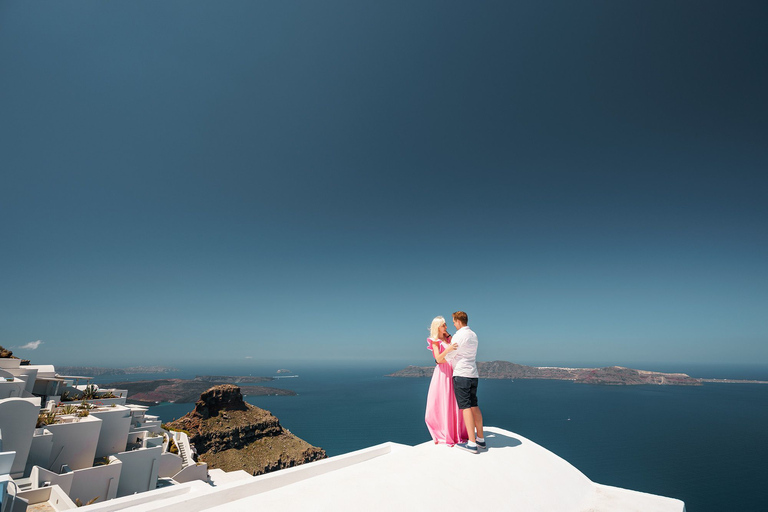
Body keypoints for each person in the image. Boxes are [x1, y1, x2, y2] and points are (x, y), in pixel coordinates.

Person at [444, 311, 485, 453]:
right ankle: (480, 439)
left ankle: (472, 443)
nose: (453, 324)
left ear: (458, 321)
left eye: (454, 322)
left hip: (461, 374)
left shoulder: (459, 335)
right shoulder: (473, 334)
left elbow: (450, 354)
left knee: (465, 406)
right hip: (473, 374)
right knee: (474, 404)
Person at [424, 316, 468, 446]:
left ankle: (456, 432)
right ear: (438, 327)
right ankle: (445, 432)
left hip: (452, 371)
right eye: (443, 325)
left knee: (454, 402)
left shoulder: (447, 338)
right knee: (443, 402)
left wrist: (447, 335)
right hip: (442, 373)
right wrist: (448, 349)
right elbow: (438, 359)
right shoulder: (435, 341)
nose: (446, 327)